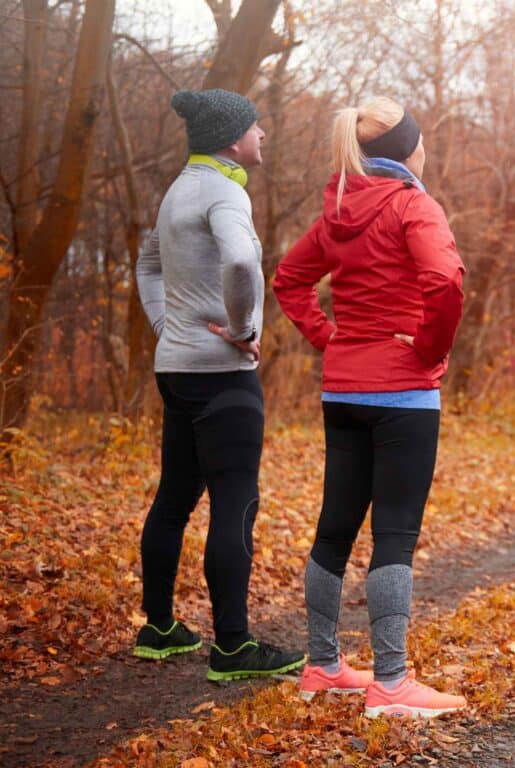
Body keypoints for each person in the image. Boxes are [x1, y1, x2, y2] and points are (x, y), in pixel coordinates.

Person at [273, 97, 467, 717]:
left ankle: (324, 666)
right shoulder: (413, 204)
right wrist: (430, 352)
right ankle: (390, 683)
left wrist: (333, 341)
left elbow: (289, 279)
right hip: (403, 394)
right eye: (422, 139)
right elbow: (446, 281)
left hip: (344, 391)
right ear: (408, 150)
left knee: (335, 529)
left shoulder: (338, 209)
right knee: (395, 535)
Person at [134, 88, 305, 681]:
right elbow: (240, 263)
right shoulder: (226, 193)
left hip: (176, 369)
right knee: (234, 503)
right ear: (233, 138)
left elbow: (147, 264)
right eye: (256, 127)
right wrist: (243, 328)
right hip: (222, 375)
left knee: (175, 497)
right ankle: (233, 646)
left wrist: (166, 324)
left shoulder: (178, 190)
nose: (262, 136)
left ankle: (159, 628)